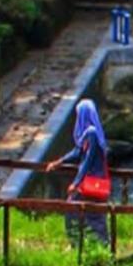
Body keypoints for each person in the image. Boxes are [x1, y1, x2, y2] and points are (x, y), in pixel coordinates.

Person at [46, 99, 110, 246]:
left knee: (74, 209)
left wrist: (76, 183)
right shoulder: (91, 133)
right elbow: (77, 152)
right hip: (95, 181)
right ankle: (99, 245)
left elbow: (87, 159)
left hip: (91, 181)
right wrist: (59, 162)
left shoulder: (91, 133)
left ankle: (77, 243)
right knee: (95, 214)